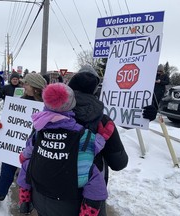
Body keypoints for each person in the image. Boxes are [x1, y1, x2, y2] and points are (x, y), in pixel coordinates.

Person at [66, 64, 157, 215]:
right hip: (90, 195)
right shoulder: (103, 120)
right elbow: (119, 163)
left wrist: (144, 114)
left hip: (49, 191)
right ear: (95, 87)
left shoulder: (50, 114)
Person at [17, 83, 109, 215]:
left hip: (41, 185)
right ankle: (89, 209)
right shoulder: (82, 133)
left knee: (26, 165)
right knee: (94, 176)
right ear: (71, 105)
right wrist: (102, 137)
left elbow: (30, 147)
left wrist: (23, 156)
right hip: (69, 189)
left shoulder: (39, 129)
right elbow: (92, 147)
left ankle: (24, 197)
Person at [0, 73, 47, 202]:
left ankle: (30, 200)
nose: (23, 85)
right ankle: (1, 192)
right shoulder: (20, 100)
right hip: (16, 143)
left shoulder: (46, 104)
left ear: (36, 87)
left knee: (32, 173)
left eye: (27, 83)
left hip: (36, 144)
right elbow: (12, 121)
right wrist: (2, 125)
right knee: (7, 163)